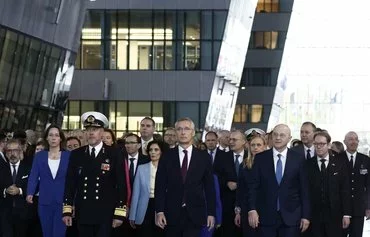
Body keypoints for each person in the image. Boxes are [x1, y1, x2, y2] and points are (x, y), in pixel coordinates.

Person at [62, 111, 127, 237]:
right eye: (88, 129)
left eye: (95, 129)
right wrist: (67, 211)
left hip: (105, 213)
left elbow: (121, 185)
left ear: (102, 132)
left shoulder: (114, 154)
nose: (91, 133)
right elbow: (70, 183)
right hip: (83, 212)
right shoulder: (77, 154)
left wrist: (119, 213)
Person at [155, 117, 216, 237]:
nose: (183, 132)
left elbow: (209, 187)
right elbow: (160, 186)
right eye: (179, 129)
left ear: (193, 132)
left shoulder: (204, 157)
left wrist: (211, 213)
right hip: (171, 214)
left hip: (195, 213)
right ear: (176, 132)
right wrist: (159, 211)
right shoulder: (166, 157)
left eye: (187, 129)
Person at [248, 124, 310, 237]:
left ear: (289, 138)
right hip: (265, 216)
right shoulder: (261, 158)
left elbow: (304, 189)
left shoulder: (299, 159)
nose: (278, 138)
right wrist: (252, 209)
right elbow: (253, 187)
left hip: (291, 217)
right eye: (275, 134)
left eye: (282, 135)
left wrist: (305, 216)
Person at [26, 125, 70, 237]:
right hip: (44, 201)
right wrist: (30, 192)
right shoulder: (39, 156)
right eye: (50, 135)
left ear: (61, 138)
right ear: (46, 138)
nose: (54, 138)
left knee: (59, 234)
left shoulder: (68, 156)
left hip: (63, 202)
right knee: (47, 233)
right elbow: (34, 175)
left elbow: (73, 180)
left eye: (56, 135)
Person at [305, 131, 351, 237]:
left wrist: (347, 214)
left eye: (322, 144)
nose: (318, 147)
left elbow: (345, 190)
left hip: (335, 215)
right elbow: (305, 191)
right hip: (314, 216)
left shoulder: (340, 164)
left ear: (329, 145)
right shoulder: (307, 165)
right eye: (316, 144)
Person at [129, 141, 166, 237]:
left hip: (162, 206)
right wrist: (132, 215)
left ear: (161, 152)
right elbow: (136, 193)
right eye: (150, 150)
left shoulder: (168, 168)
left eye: (156, 149)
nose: (153, 152)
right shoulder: (141, 168)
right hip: (144, 208)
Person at [235, 135, 267, 237]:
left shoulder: (271, 165)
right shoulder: (244, 165)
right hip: (246, 208)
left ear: (264, 146)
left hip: (266, 209)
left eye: (259, 145)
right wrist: (238, 211)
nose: (255, 147)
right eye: (253, 145)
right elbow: (240, 190)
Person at [339, 131, 370, 237]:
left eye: (356, 139)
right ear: (344, 142)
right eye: (351, 139)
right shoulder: (337, 159)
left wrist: (368, 206)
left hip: (359, 208)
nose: (354, 142)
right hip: (340, 208)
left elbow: (369, 185)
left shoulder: (366, 160)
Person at [0, 139, 33, 237]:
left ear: (20, 152)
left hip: (24, 213)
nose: (12, 154)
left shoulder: (29, 167)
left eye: (15, 150)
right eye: (9, 151)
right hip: (5, 214)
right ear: (6, 153)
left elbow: (35, 186)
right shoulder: (1, 168)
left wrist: (20, 190)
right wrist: (5, 191)